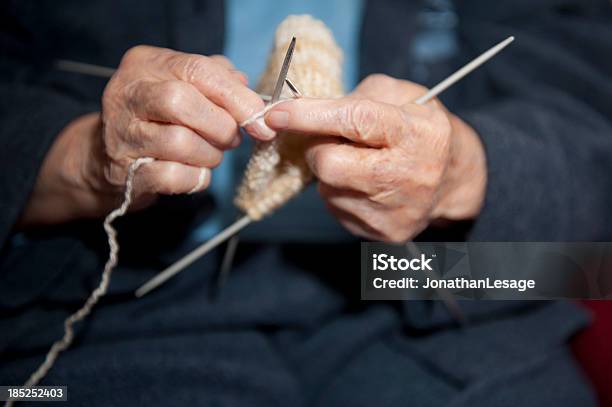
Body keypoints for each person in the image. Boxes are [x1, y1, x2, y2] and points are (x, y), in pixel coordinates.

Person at [1, 0, 611, 405]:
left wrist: (467, 173)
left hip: (426, 283)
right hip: (112, 295)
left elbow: (589, 235)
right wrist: (81, 161)